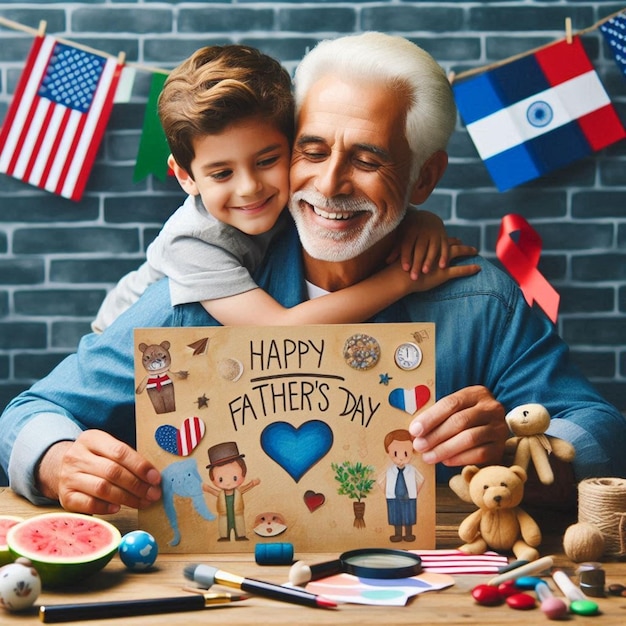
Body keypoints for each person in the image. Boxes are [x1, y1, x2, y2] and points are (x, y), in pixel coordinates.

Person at [2, 32, 624, 517]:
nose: (329, 186)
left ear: (423, 179)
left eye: (369, 158)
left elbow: (601, 428)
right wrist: (58, 460)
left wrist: (518, 451)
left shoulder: (481, 301)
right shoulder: (200, 296)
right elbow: (30, 412)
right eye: (313, 149)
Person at [92, 45, 476, 333]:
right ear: (185, 177)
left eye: (266, 161)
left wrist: (420, 221)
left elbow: (370, 206)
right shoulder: (190, 244)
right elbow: (278, 332)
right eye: (222, 174)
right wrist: (401, 280)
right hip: (127, 336)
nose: (250, 189)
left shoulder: (294, 201)